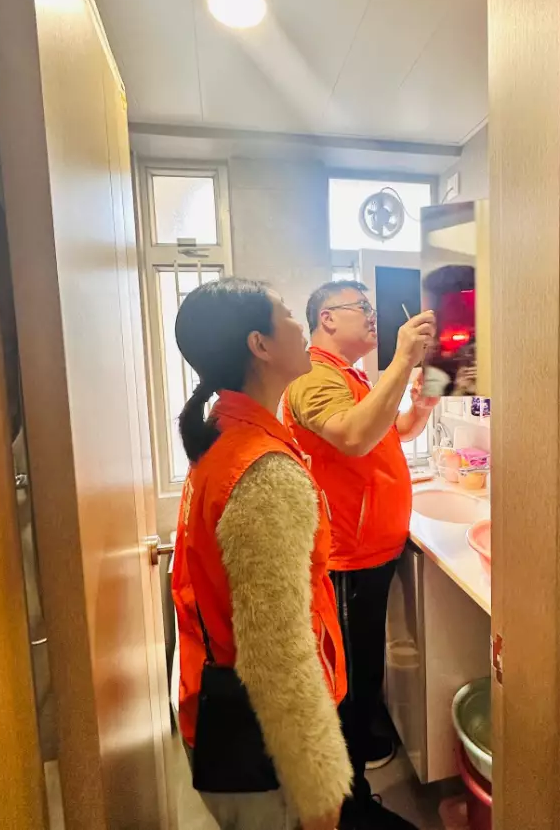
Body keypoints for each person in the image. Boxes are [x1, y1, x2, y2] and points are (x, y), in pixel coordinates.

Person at [172, 278, 352, 830]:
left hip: (223, 709)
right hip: (267, 748)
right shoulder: (262, 470)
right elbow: (278, 658)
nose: (303, 326)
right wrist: (319, 787)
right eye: (288, 315)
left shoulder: (224, 436)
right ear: (260, 345)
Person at [283, 281, 437, 830]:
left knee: (365, 670)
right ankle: (349, 807)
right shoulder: (312, 377)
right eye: (362, 308)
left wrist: (421, 402)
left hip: (373, 550)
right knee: (348, 683)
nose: (373, 316)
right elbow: (351, 436)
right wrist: (401, 360)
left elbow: (392, 431)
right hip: (347, 557)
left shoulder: (349, 376)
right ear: (328, 317)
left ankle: (358, 763)